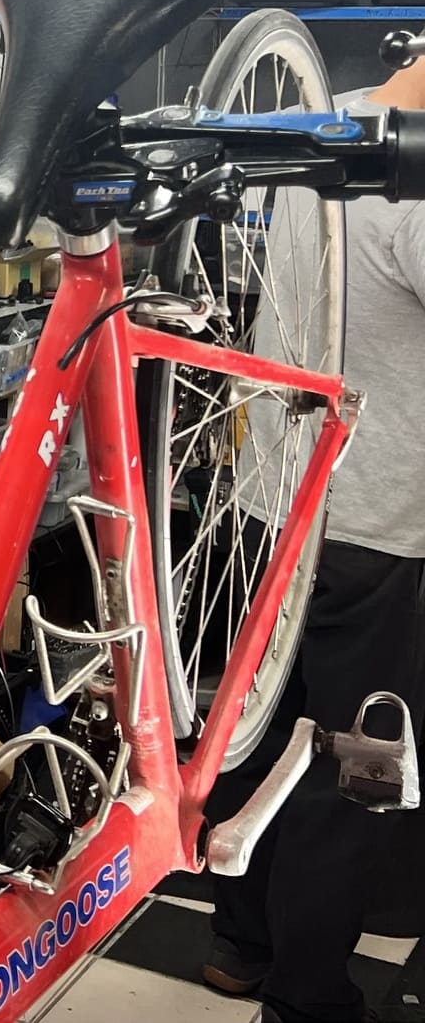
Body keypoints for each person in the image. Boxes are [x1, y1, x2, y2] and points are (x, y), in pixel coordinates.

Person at [203, 56, 425, 1023]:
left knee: (259, 736)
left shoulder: (321, 121)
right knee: (354, 770)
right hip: (376, 526)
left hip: (273, 506)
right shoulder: (413, 176)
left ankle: (240, 946)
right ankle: (306, 999)